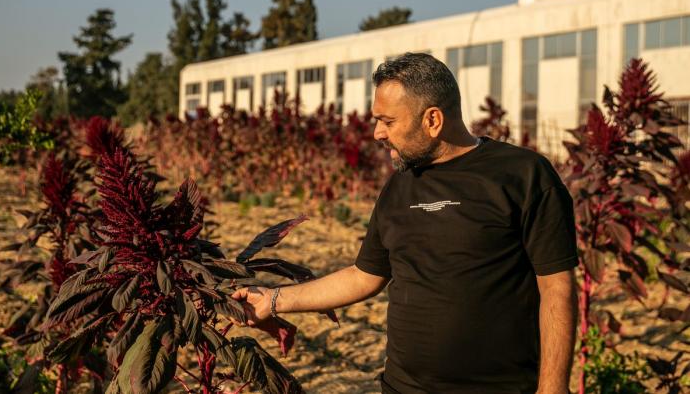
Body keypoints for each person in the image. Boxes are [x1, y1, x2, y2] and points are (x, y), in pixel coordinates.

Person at [232, 53, 578, 394]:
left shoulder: (522, 175)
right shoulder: (399, 186)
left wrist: (552, 386)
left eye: (388, 121)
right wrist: (275, 300)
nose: (377, 133)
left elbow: (556, 287)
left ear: (432, 120)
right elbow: (363, 276)